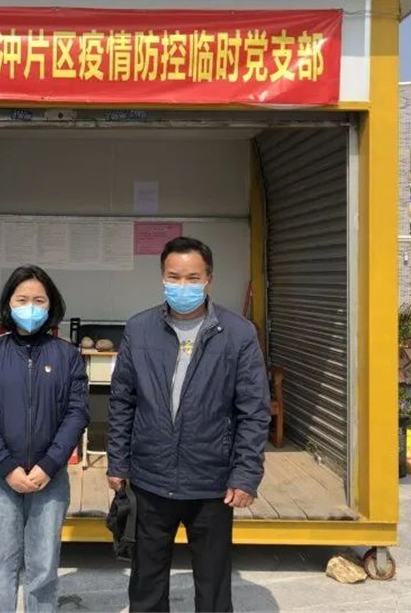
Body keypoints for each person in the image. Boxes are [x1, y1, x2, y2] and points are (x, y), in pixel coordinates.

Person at [107, 237, 270, 613]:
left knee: (213, 586)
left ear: (209, 278)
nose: (183, 286)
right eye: (174, 277)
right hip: (150, 477)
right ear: (162, 278)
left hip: (211, 481)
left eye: (192, 278)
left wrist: (246, 474)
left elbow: (253, 411)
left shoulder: (238, 333)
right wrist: (117, 462)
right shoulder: (140, 329)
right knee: (146, 583)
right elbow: (122, 401)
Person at [0, 265, 90, 612]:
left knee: (43, 569)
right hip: (0, 477)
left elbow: (77, 413)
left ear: (51, 305)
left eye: (39, 300)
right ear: (8, 304)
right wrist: (6, 465)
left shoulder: (67, 355)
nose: (30, 306)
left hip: (50, 478)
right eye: (22, 299)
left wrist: (50, 464)